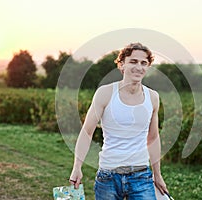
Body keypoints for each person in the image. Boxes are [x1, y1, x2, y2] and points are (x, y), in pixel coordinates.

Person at [69, 42, 168, 199]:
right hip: (108, 177)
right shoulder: (105, 93)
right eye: (133, 61)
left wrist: (157, 174)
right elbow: (87, 132)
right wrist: (77, 167)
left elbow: (153, 138)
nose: (139, 67)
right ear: (122, 65)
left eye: (144, 63)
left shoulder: (153, 97)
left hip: (141, 176)